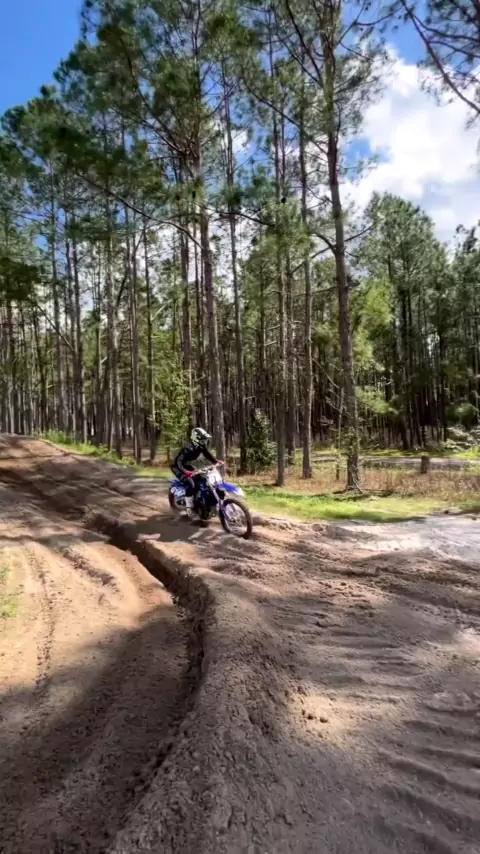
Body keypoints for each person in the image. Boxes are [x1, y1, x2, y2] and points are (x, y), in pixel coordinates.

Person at [171, 427, 222, 519]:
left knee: (203, 480)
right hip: (177, 467)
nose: (204, 441)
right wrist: (185, 472)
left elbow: (207, 454)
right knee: (190, 484)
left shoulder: (200, 446)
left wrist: (216, 461)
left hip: (187, 465)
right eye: (202, 439)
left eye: (205, 439)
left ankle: (200, 502)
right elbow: (178, 461)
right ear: (196, 439)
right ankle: (189, 509)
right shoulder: (188, 448)